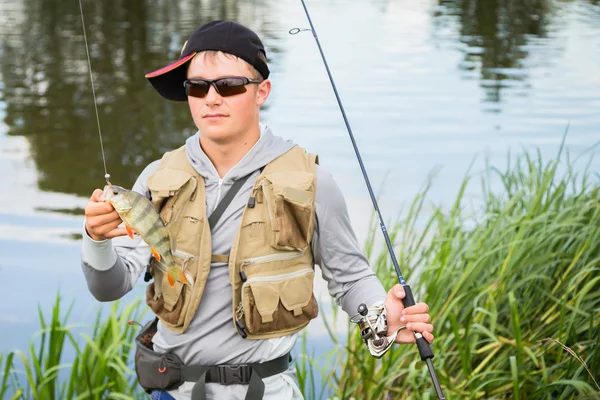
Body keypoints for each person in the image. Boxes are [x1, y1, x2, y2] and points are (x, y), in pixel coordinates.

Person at [81, 20, 434, 400]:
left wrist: (384, 319)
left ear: (262, 91)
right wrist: (96, 240)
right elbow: (107, 288)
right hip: (173, 392)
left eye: (229, 86)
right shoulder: (155, 179)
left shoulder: (312, 181)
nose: (211, 99)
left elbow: (349, 278)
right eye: (197, 87)